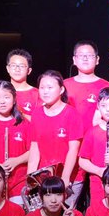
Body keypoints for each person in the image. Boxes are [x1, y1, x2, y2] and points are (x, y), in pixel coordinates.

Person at [27, 70, 83, 206]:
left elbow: (73, 150)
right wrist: (30, 178)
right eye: (42, 87)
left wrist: (65, 178)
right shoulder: (36, 114)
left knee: (65, 214)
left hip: (69, 177)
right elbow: (35, 148)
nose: (45, 91)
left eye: (50, 87)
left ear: (61, 90)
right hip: (45, 178)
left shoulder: (72, 114)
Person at [64, 40, 109, 129]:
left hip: (97, 135)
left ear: (97, 60)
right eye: (81, 55)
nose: (85, 58)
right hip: (70, 135)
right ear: (74, 60)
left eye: (89, 55)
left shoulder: (106, 86)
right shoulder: (64, 85)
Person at [5, 49, 39, 119]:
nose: (17, 69)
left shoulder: (38, 94)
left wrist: (20, 114)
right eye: (13, 65)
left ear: (29, 71)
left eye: (22, 66)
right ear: (8, 68)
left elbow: (42, 121)